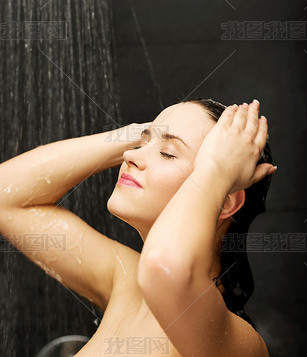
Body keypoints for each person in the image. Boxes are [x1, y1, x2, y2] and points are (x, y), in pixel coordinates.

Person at [0, 97, 275, 356]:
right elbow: (5, 198)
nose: (130, 156)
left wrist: (217, 171)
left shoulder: (231, 340)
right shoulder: (126, 281)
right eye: (139, 145)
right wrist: (138, 133)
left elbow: (164, 272)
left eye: (167, 153)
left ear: (225, 201)